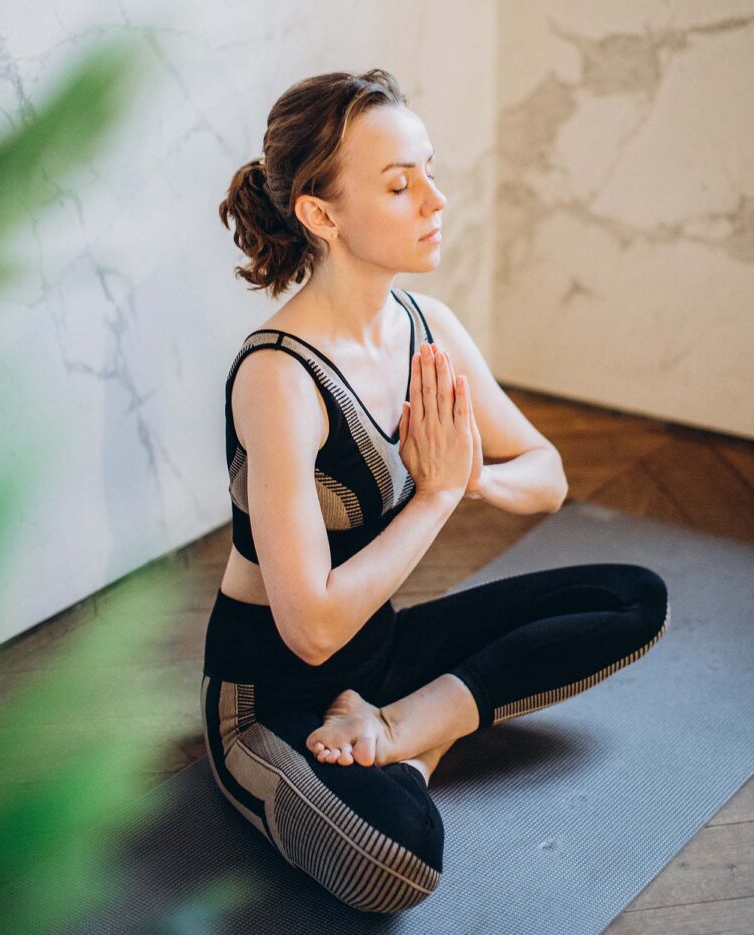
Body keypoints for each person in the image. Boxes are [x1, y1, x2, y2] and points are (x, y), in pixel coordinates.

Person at [201, 68, 670, 913]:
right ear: (321, 214)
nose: (435, 198)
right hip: (269, 692)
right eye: (398, 183)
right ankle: (398, 742)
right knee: (400, 862)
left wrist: (468, 476)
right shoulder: (278, 377)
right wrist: (436, 496)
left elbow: (548, 475)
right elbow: (308, 630)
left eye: (428, 170)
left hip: (378, 655)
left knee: (632, 596)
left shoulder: (427, 327)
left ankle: (401, 731)